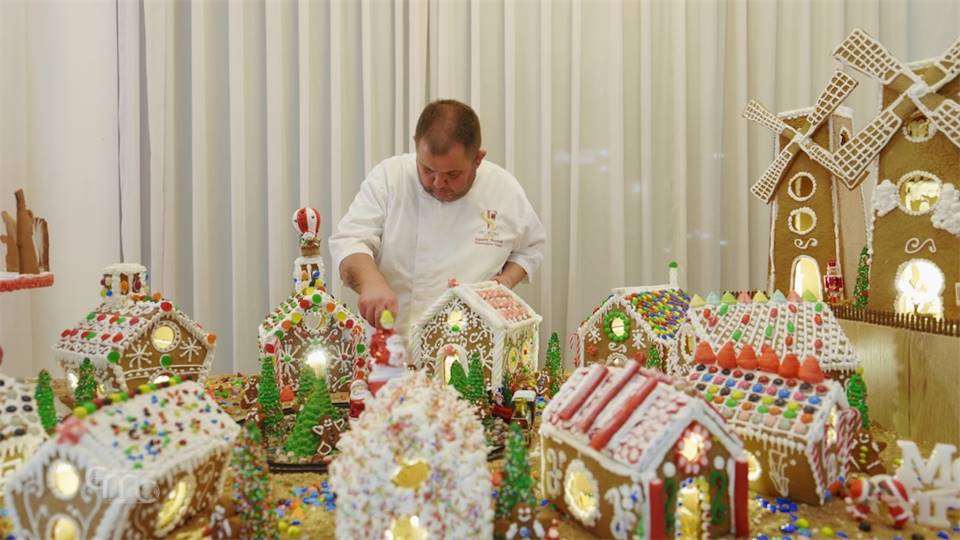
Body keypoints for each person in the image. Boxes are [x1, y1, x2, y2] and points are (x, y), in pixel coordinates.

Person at [330, 99, 546, 335]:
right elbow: (351, 241)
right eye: (427, 170)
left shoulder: (504, 189)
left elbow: (530, 248)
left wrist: (505, 282)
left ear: (478, 159)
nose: (438, 183)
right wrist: (371, 283)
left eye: (452, 174)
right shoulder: (390, 177)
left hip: (472, 339)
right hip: (393, 338)